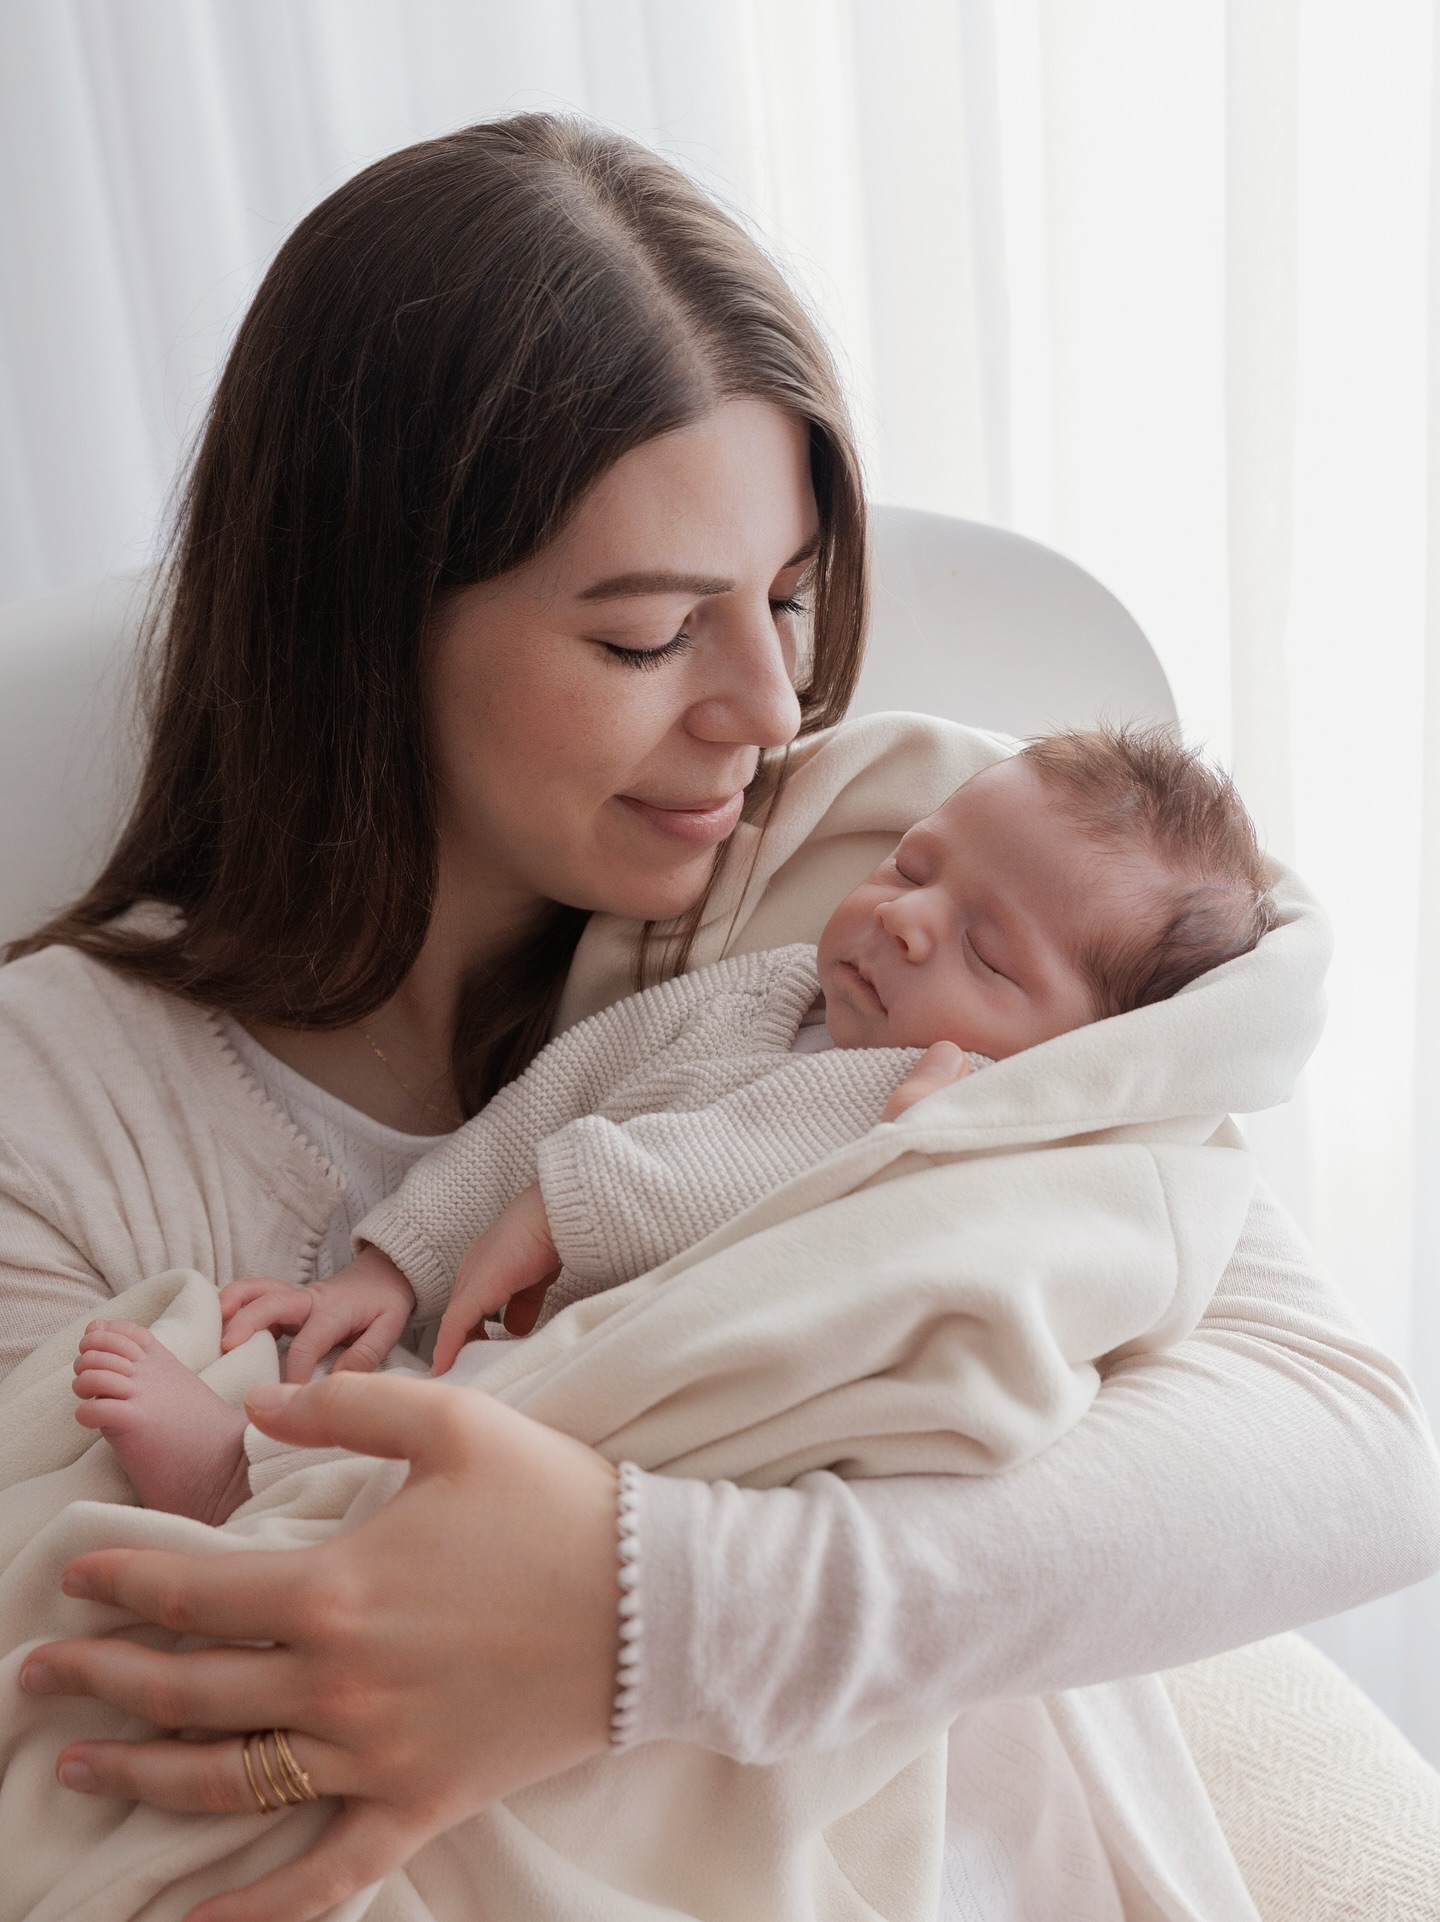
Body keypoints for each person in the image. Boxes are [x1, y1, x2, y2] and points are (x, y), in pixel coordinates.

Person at [3, 116, 1435, 1922]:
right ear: (361, 632)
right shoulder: (55, 1110)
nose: (766, 706)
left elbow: (1344, 1452)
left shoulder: (880, 863)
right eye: (644, 639)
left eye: (787, 597)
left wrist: (628, 1614)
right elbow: (93, 1705)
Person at [69, 723, 1282, 1532]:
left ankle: (245, 1488)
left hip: (660, 1406)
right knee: (411, 1391)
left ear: (1077, 1059)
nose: (910, 921)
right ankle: (251, 1472)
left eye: (987, 950)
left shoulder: (953, 1118)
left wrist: (569, 1205)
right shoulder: (768, 990)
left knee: (478, 1474)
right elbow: (561, 1088)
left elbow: (773, 1197)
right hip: (529, 1316)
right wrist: (405, 1254)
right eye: (917, 869)